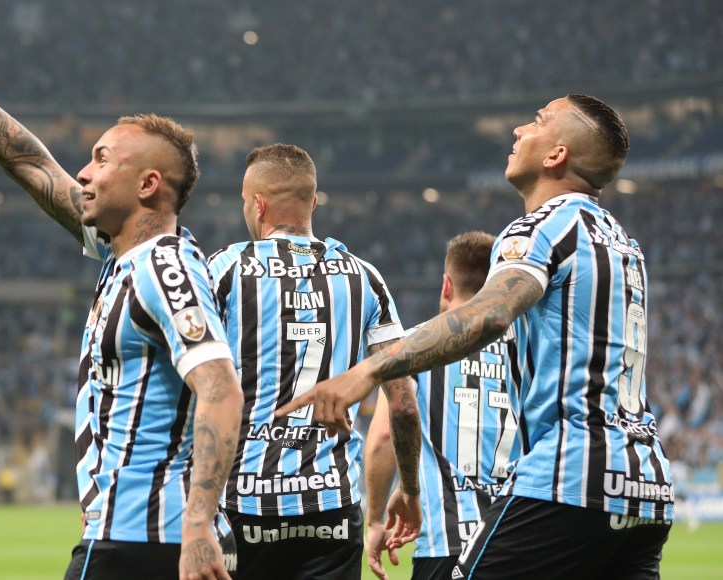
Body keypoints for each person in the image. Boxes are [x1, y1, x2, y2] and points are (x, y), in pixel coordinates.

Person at [0, 8, 243, 580]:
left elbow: (221, 390)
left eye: (101, 160)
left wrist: (198, 527)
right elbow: (31, 163)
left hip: (142, 541)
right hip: (135, 536)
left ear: (148, 184)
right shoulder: (125, 255)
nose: (82, 173)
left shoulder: (164, 266)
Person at [278, 94, 673, 579]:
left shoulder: (542, 226)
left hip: (570, 475)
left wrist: (369, 369)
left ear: (557, 155)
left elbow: (492, 313)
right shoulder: (622, 242)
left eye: (537, 122)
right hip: (645, 485)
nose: (519, 130)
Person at [207, 144, 422, 579]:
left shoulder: (225, 270)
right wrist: (410, 489)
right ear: (313, 202)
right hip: (331, 508)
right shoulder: (365, 278)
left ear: (258, 204)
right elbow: (403, 406)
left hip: (241, 504)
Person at [365, 231, 520, 580]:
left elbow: (383, 437)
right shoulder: (526, 348)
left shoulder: (412, 346)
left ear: (447, 285)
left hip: (445, 544)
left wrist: (375, 519)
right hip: (517, 540)